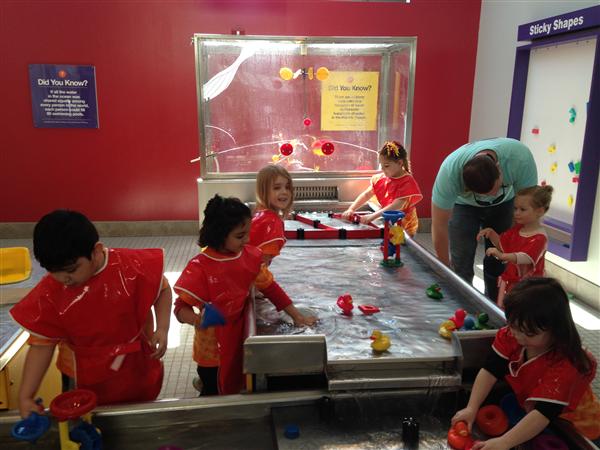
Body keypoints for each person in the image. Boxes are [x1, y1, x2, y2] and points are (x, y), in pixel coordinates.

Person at [10, 210, 172, 418]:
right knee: (82, 420)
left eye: (71, 269)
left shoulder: (132, 267)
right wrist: (26, 396)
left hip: (134, 362)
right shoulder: (51, 291)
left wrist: (163, 328)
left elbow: (162, 289)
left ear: (96, 251)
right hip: (78, 372)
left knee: (139, 414)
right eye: (54, 272)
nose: (64, 279)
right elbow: (41, 345)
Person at [173, 195, 316, 396]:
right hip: (212, 351)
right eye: (240, 236)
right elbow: (180, 308)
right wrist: (198, 320)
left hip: (238, 337)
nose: (247, 240)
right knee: (214, 393)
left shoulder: (249, 257)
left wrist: (297, 316)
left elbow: (271, 288)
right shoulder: (201, 267)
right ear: (219, 235)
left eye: (248, 233)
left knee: (236, 384)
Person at [451, 278, 600, 449]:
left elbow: (544, 413)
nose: (518, 336)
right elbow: (491, 370)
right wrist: (472, 407)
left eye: (528, 333)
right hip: (539, 415)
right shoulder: (512, 335)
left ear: (556, 329)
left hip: (577, 425)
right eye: (513, 326)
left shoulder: (567, 363)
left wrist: (504, 442)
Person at [431, 137, 538, 300]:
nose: (492, 196)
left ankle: (494, 304)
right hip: (464, 206)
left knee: (498, 262)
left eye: (495, 189)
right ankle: (462, 302)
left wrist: (519, 254)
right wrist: (444, 270)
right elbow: (439, 225)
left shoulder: (519, 158)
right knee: (461, 260)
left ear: (499, 169)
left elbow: (528, 212)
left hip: (505, 204)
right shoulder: (450, 173)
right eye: (485, 194)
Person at [477, 185, 553, 308]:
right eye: (515, 208)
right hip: (512, 283)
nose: (517, 213)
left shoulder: (540, 238)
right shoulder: (517, 229)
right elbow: (503, 245)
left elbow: (524, 257)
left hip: (529, 288)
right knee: (508, 309)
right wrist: (491, 234)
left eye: (522, 209)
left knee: (523, 311)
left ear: (540, 211)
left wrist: (502, 256)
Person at [342, 141, 423, 235]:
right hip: (388, 222)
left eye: (386, 166)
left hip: (405, 225)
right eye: (381, 165)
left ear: (400, 163)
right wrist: (351, 209)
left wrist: (372, 216)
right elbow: (366, 194)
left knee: (401, 242)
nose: (382, 169)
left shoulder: (407, 182)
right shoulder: (380, 179)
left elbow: (396, 206)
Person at [249, 165, 293, 265]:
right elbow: (261, 266)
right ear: (263, 191)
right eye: (277, 188)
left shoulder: (259, 215)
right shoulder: (271, 221)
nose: (284, 192)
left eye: (287, 187)